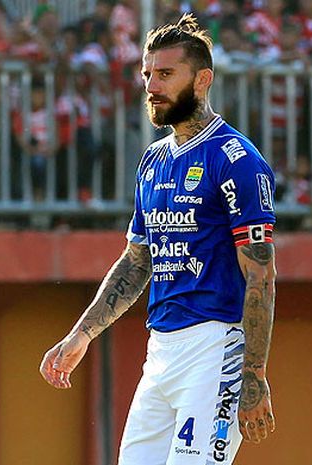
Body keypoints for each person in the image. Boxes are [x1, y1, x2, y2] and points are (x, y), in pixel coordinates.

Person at [40, 14, 277, 465]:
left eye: (166, 74)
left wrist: (253, 374)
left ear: (202, 80)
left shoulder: (237, 159)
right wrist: (81, 335)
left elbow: (261, 275)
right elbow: (135, 262)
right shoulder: (152, 160)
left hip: (215, 349)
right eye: (148, 73)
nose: (152, 85)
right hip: (161, 351)